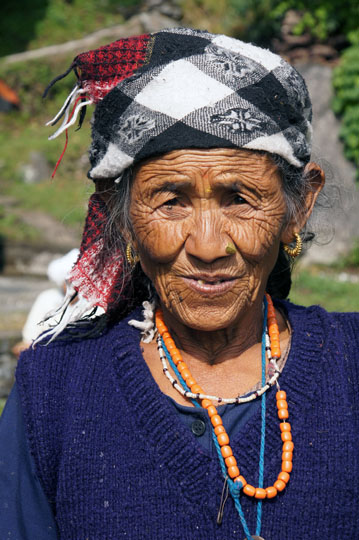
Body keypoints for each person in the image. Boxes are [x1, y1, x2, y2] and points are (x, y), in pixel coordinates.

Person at [0, 28, 358, 540]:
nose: (209, 247)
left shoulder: (352, 367)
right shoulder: (52, 392)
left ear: (296, 208)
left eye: (240, 198)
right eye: (171, 200)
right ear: (121, 220)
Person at [12, 249, 80, 357]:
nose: (73, 285)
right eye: (69, 281)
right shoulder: (47, 299)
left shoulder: (95, 305)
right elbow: (28, 341)